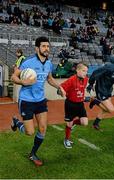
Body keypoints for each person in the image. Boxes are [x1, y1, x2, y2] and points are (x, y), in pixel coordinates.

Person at [11, 36, 65, 166]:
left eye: (48, 46)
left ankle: (33, 153)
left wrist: (59, 87)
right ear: (37, 48)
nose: (46, 48)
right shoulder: (28, 62)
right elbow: (13, 77)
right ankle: (16, 122)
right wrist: (23, 81)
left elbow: (49, 79)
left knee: (42, 128)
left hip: (40, 100)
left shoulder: (48, 64)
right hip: (26, 101)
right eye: (43, 46)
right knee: (30, 132)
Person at [58, 62, 89, 148]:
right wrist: (61, 91)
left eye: (86, 71)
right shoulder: (71, 79)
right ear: (77, 70)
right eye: (83, 71)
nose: (85, 73)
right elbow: (60, 88)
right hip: (70, 105)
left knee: (85, 123)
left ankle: (73, 123)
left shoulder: (86, 79)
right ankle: (67, 139)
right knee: (68, 125)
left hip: (80, 105)